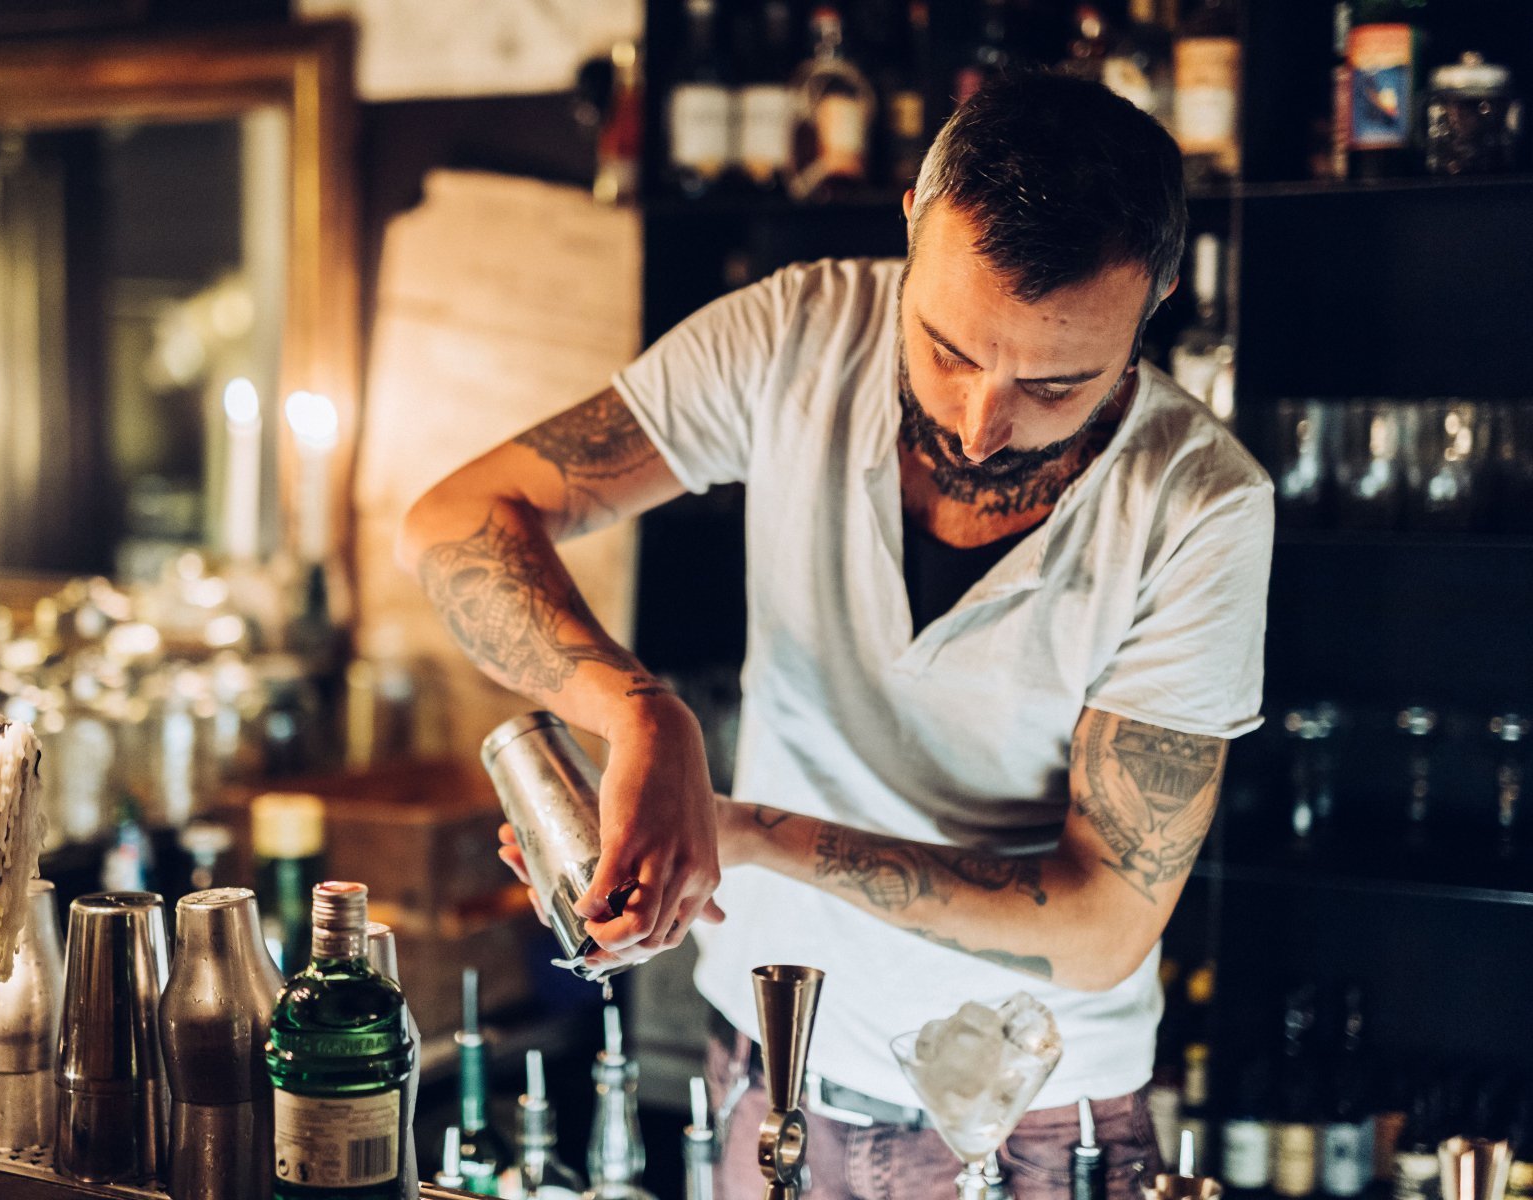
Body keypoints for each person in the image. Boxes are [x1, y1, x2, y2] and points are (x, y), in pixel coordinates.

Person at [399, 72, 1272, 1200]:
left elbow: (1103, 921)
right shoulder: (797, 332)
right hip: (766, 1065)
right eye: (950, 350)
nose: (982, 424)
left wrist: (739, 831)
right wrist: (636, 711)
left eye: (1056, 384)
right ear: (910, 218)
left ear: (1154, 301)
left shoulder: (1198, 507)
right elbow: (459, 520)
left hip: (1024, 1123)